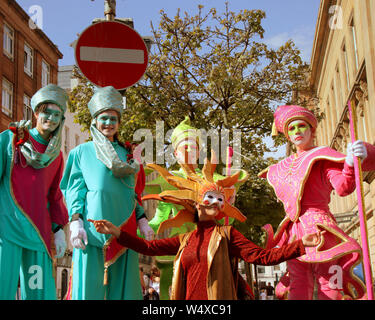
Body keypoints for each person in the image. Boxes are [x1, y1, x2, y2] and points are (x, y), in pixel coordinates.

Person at [89, 155, 320, 300]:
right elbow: (148, 247)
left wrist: (301, 245)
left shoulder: (228, 235)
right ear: (197, 202)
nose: (218, 203)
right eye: (212, 197)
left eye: (221, 200)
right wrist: (116, 232)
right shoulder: (185, 239)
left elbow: (264, 257)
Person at [259, 104, 375, 300]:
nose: (297, 131)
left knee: (329, 283)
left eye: (301, 126)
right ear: (287, 135)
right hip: (293, 232)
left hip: (321, 229)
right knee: (298, 284)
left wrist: (349, 163)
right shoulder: (282, 167)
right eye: (291, 128)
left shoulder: (323, 157)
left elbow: (343, 187)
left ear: (312, 130)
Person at [60, 86, 154, 300]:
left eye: (113, 119)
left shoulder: (130, 155)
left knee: (124, 293)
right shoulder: (80, 153)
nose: (108, 123)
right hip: (92, 234)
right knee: (89, 291)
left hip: (125, 233)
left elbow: (134, 194)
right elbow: (75, 189)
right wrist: (76, 221)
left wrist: (142, 220)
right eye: (104, 118)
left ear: (119, 123)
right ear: (94, 120)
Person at [0, 84, 69, 299]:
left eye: (57, 114)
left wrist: (58, 229)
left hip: (38, 233)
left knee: (38, 291)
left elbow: (55, 193)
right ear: (36, 112)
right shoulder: (10, 140)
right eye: (47, 112)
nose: (51, 118)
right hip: (6, 228)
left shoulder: (56, 155)